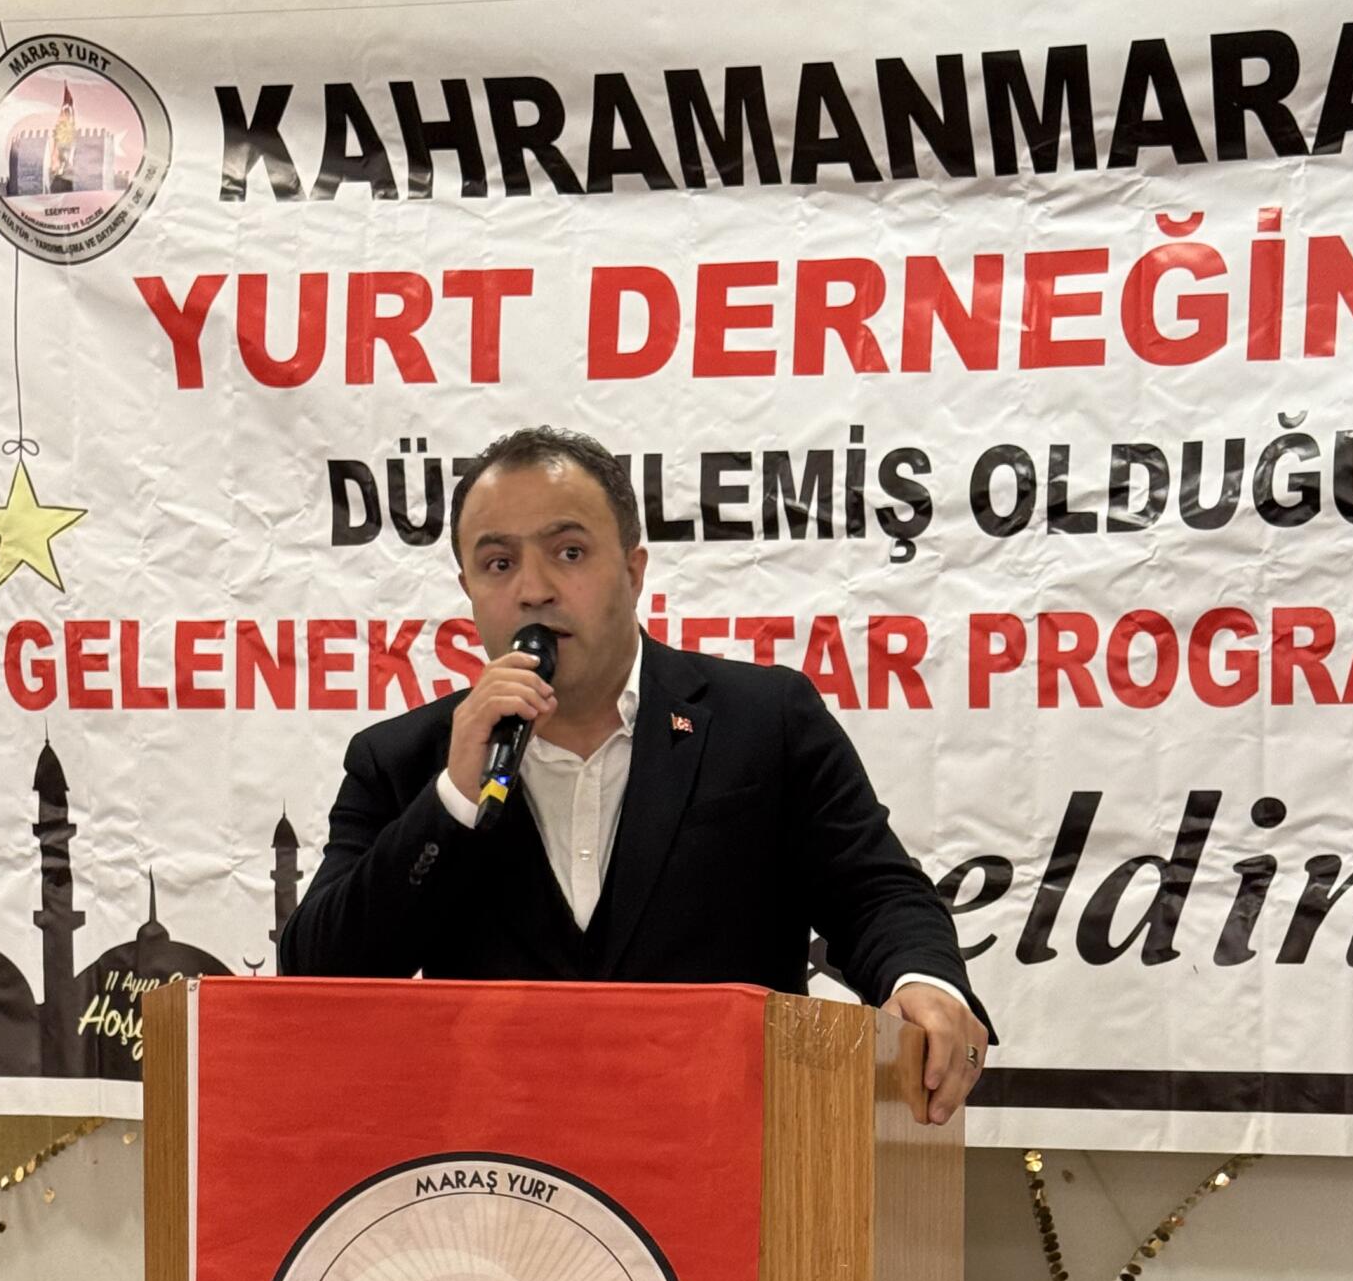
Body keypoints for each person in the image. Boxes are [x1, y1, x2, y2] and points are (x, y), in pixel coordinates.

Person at [279, 426, 992, 1124]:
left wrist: (924, 980)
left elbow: (875, 893)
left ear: (633, 569)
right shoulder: (405, 760)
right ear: (467, 588)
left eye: (569, 552)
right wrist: (453, 802)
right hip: (493, 1173)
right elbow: (313, 979)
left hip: (726, 1150)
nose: (533, 589)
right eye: (498, 564)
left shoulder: (764, 721)